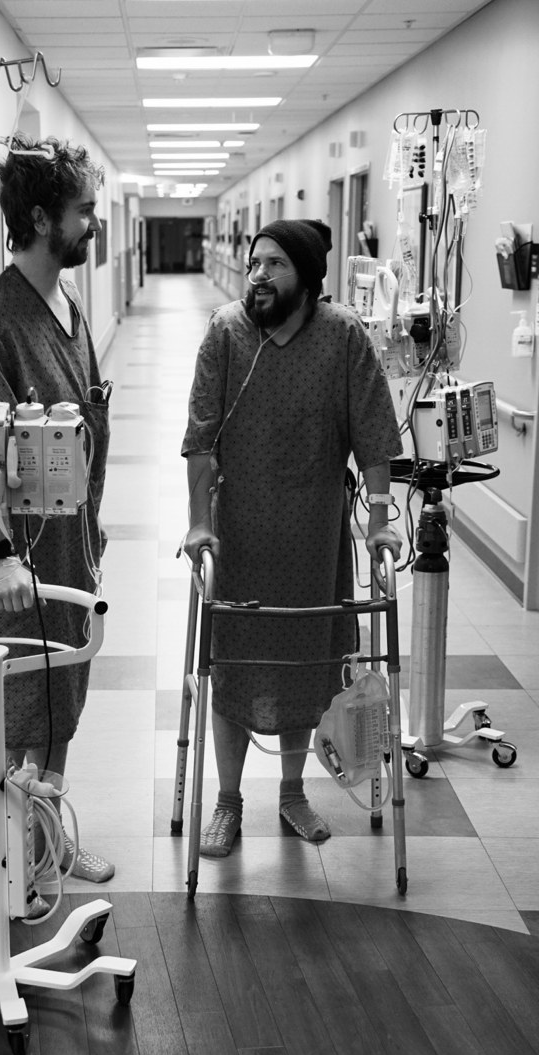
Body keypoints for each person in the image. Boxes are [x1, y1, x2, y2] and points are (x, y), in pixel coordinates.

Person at [181, 219, 403, 857]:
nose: (258, 276)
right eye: (254, 262)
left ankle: (291, 793)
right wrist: (199, 520)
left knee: (305, 667)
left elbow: (375, 440)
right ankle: (227, 802)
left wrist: (382, 521)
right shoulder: (225, 334)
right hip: (240, 538)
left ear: (306, 275)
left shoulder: (343, 338)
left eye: (275, 264)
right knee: (231, 668)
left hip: (314, 538)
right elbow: (199, 437)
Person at [0, 134, 114, 890]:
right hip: (16, 561)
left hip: (69, 544)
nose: (93, 225)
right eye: (84, 211)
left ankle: (47, 839)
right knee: (16, 704)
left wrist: (94, 526)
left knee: (59, 699)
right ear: (44, 216)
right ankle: (4, 870)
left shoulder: (65, 303)